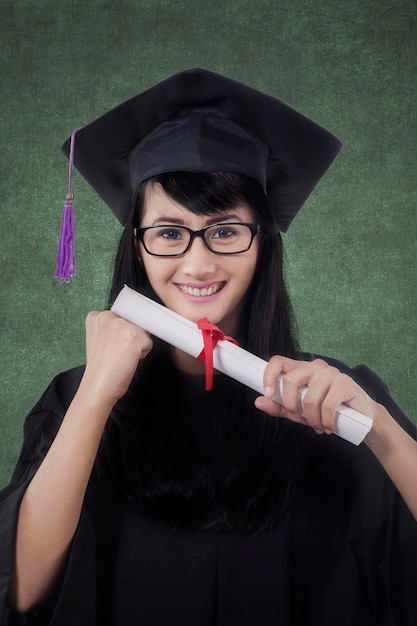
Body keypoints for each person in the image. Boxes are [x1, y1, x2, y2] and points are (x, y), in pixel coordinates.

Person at [1, 68, 416, 626]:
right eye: (169, 232)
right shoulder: (75, 399)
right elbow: (24, 596)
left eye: (224, 230)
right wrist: (95, 397)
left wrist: (381, 429)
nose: (197, 264)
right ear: (138, 248)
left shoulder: (329, 400)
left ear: (263, 241)